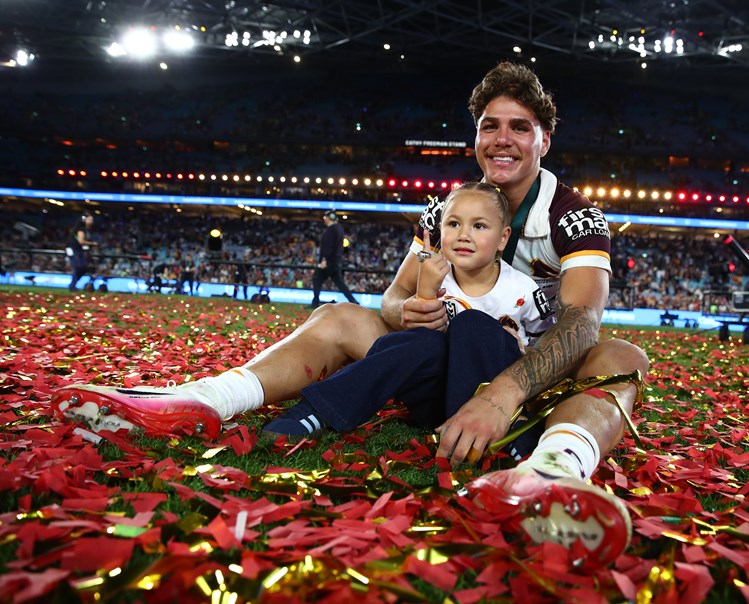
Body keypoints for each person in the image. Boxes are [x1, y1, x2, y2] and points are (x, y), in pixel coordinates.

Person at [52, 62, 649, 571]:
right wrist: (408, 309)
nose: (502, 138)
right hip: (439, 360)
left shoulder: (575, 216)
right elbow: (389, 300)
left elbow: (581, 321)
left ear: (544, 140)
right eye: (488, 125)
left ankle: (548, 472)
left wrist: (505, 393)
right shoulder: (447, 208)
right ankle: (204, 400)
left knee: (623, 357)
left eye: (520, 127)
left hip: (530, 375)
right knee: (338, 313)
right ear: (474, 136)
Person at [263, 183, 552, 463]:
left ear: (503, 238)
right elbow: (422, 334)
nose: (464, 235)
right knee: (417, 342)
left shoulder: (524, 289)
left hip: (494, 399)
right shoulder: (435, 275)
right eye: (453, 224)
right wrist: (425, 290)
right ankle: (319, 410)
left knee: (473, 324)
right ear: (439, 231)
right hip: (440, 400)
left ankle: (514, 431)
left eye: (478, 226)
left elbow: (545, 350)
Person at [311, 210, 358, 306]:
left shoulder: (331, 230)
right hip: (336, 261)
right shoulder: (339, 229)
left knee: (317, 279)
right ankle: (353, 301)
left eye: (326, 217)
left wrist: (324, 260)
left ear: (329, 218)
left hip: (329, 261)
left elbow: (328, 246)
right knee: (340, 283)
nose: (324, 219)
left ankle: (315, 302)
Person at [66, 215, 97, 291]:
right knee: (78, 266)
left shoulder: (87, 230)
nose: (92, 221)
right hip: (72, 249)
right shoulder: (81, 229)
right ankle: (72, 286)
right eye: (90, 219)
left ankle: (73, 284)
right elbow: (81, 241)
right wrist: (92, 243)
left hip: (79, 250)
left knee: (84, 267)